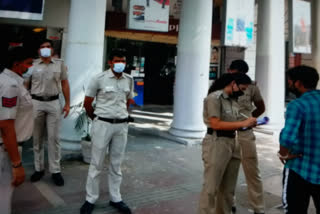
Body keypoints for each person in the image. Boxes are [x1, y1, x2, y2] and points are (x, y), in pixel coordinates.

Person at [80, 49, 134, 214]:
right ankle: (90, 199)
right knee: (96, 163)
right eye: (118, 61)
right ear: (110, 62)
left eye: (123, 61)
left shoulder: (129, 79)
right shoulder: (99, 79)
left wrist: (123, 116)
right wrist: (97, 119)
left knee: (116, 164)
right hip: (102, 125)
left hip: (121, 126)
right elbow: (87, 103)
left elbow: (128, 100)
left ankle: (116, 198)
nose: (121, 64)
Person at [198, 73, 257, 214]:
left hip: (233, 142)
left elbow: (233, 123)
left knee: (228, 189)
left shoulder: (233, 100)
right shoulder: (214, 98)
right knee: (211, 188)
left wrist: (247, 124)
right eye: (242, 88)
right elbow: (215, 124)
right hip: (217, 143)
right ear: (233, 83)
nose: (243, 92)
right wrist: (243, 123)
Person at [25, 40, 70, 186]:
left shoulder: (59, 64)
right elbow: (26, 86)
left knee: (54, 138)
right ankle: (39, 169)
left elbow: (64, 83)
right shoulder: (32, 65)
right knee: (37, 138)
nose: (45, 49)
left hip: (53, 103)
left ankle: (55, 171)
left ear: (52, 49)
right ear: (39, 50)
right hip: (35, 102)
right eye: (42, 46)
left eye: (48, 47)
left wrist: (68, 104)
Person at [279, 65, 320, 214]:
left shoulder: (297, 105)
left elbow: (287, 138)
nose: (289, 84)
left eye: (290, 81)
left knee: (295, 210)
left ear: (298, 83)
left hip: (300, 168)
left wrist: (283, 154)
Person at [228, 59, 266, 214]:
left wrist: (250, 119)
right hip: (227, 133)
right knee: (228, 170)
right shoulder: (223, 85)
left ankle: (258, 207)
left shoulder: (251, 87)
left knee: (252, 170)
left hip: (245, 133)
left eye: (235, 72)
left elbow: (261, 107)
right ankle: (229, 203)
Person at [0, 47, 33, 214]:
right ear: (16, 64)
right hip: (5, 149)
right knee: (3, 197)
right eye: (28, 63)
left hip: (8, 147)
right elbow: (5, 125)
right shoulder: (10, 85)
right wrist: (17, 164)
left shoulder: (12, 81)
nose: (31, 67)